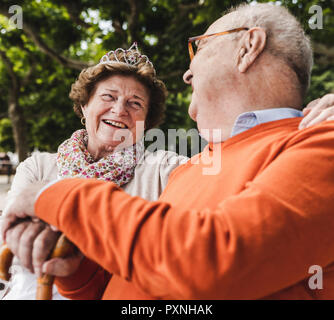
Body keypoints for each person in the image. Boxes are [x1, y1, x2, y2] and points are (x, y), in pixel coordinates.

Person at [3, 3, 334, 300]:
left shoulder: (322, 141)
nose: (188, 74)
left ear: (249, 47)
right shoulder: (196, 166)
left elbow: (209, 262)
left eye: (198, 48)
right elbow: (147, 278)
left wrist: (58, 196)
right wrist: (78, 272)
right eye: (108, 97)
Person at [0, 43, 187, 300]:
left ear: (147, 122)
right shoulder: (37, 167)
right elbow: (12, 241)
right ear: (85, 106)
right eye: (108, 97)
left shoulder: (164, 169)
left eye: (135, 103)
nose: (120, 110)